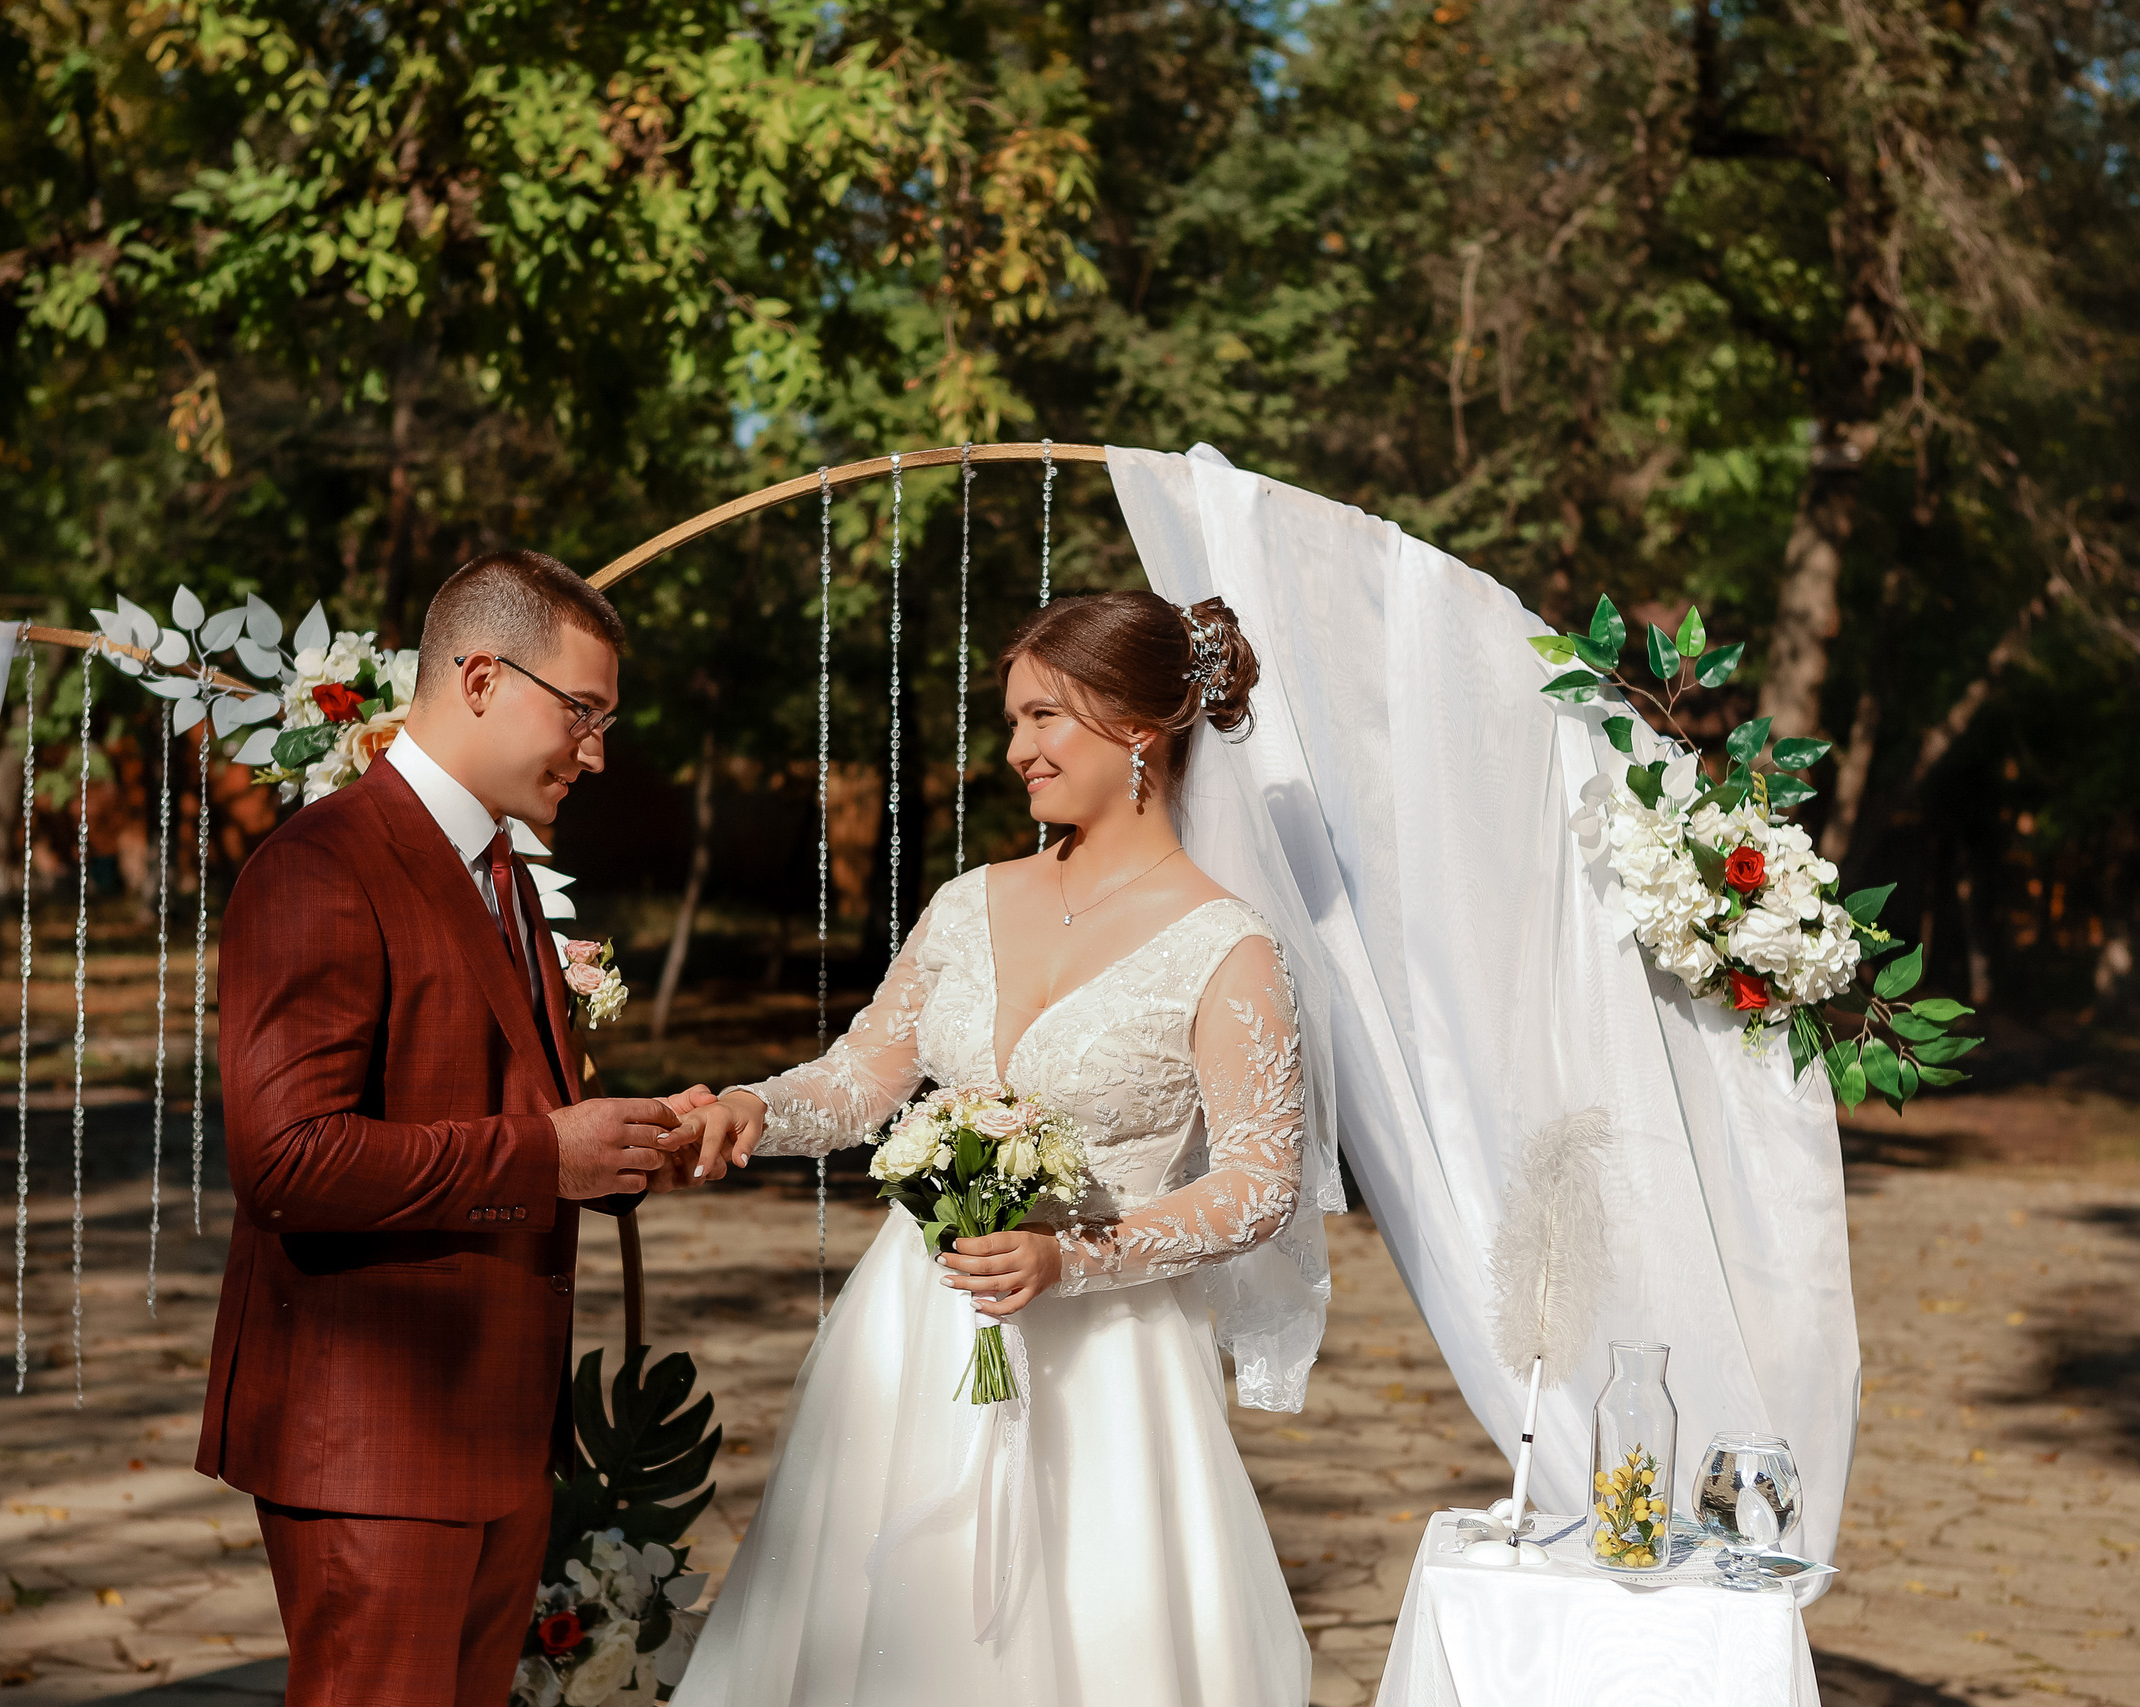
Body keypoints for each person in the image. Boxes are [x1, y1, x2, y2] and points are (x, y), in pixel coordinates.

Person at [669, 591, 1325, 1706]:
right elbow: (860, 1079)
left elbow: (1260, 1186)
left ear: (1136, 728)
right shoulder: (967, 902)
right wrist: (748, 1108)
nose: (1016, 749)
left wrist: (1074, 1258)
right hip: (911, 1336)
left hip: (1103, 1363)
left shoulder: (1228, 949)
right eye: (1012, 720)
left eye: (1042, 718)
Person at [194, 550, 700, 1707]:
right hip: (372, 1434)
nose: (597, 752)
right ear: (478, 677)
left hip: (494, 1429)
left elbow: (493, 1106)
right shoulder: (322, 866)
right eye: (581, 713)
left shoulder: (501, 875)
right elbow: (287, 1159)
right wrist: (545, 1156)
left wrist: (622, 1149)